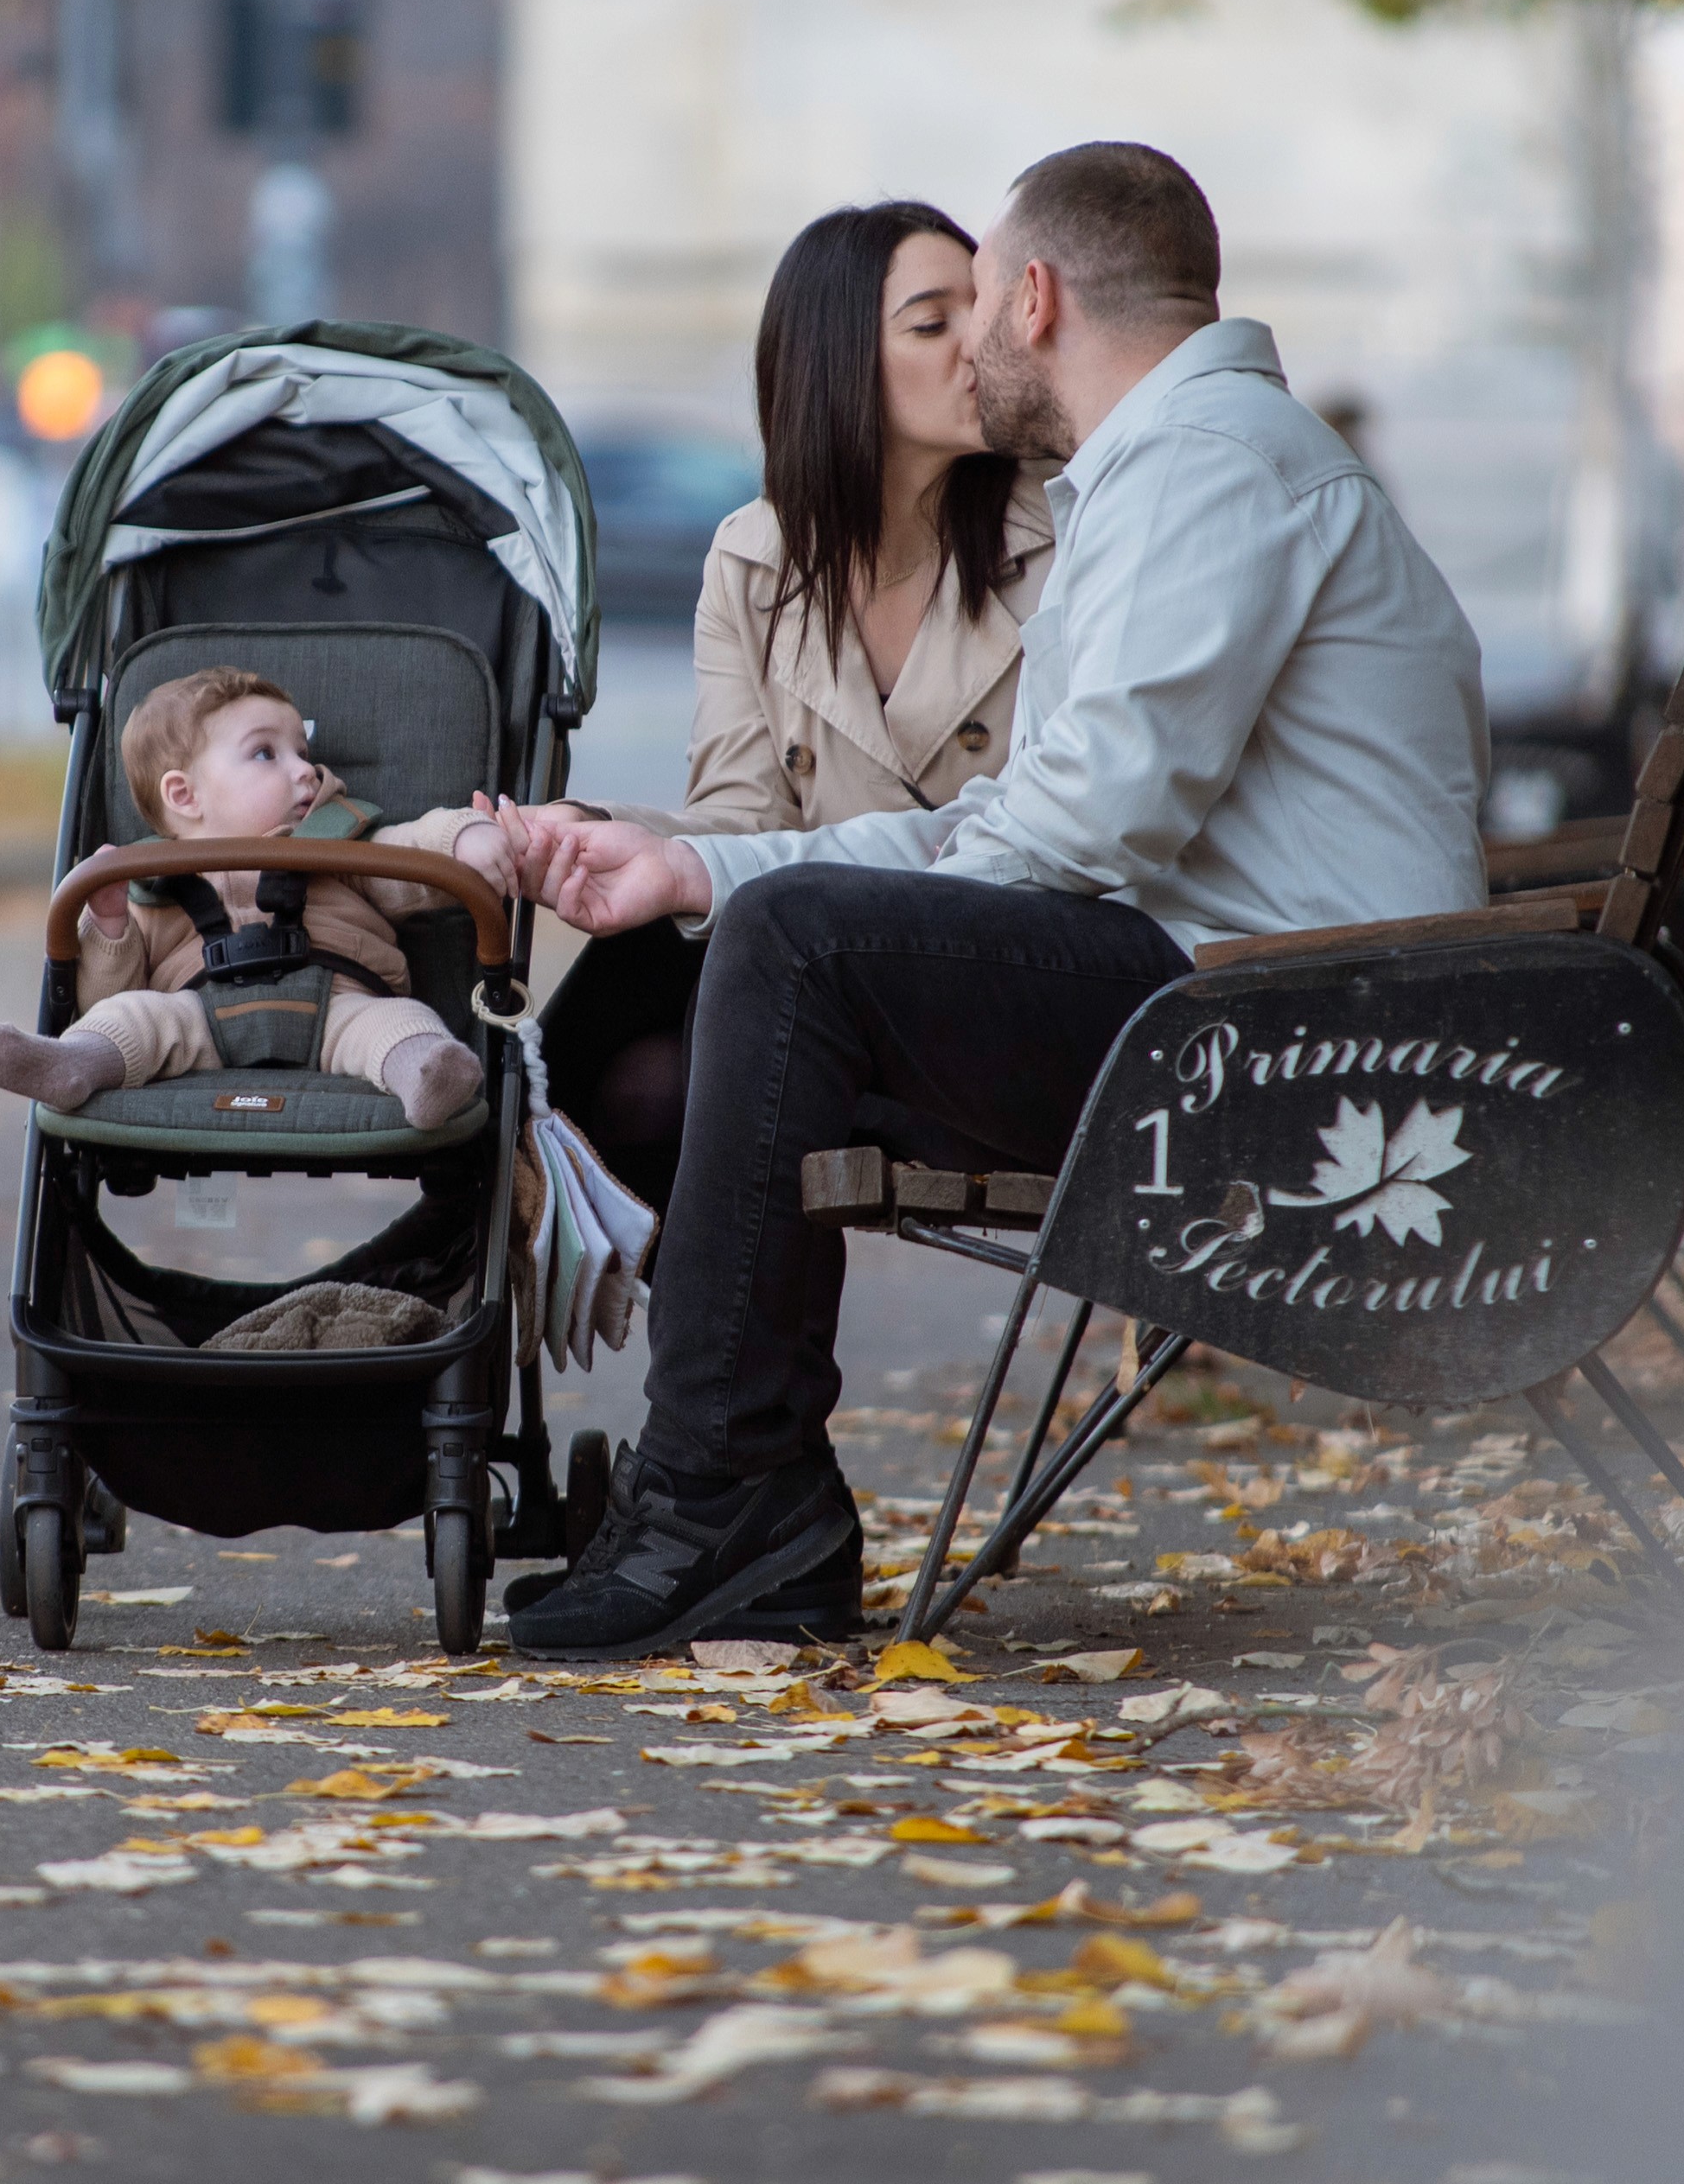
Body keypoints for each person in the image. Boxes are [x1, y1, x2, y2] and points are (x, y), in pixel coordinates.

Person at [496, 143, 1490, 1659]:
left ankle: (724, 1497)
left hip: (1298, 1041)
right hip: (1262, 1000)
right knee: (762, 949)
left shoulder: (1205, 464)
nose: (968, 343)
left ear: (1034, 301)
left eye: (974, 303)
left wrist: (841, 923)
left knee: (798, 950)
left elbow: (1089, 815)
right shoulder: (1179, 463)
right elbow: (1040, 813)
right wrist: (705, 868)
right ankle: (726, 1495)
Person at [540, 200, 1056, 1213]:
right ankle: (491, 1250)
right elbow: (740, 818)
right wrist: (582, 831)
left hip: (999, 977)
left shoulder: (1060, 537)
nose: (978, 344)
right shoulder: (755, 557)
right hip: (823, 973)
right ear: (837, 364)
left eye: (984, 308)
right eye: (932, 322)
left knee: (700, 1010)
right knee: (643, 1005)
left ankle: (449, 1263)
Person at [0, 668, 518, 1130]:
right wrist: (110, 922)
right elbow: (108, 993)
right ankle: (73, 1062)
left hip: (340, 1004)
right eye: (265, 753)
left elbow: (412, 851)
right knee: (130, 1016)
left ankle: (426, 1076)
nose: (305, 770)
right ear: (184, 794)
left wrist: (462, 838)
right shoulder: (152, 881)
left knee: (398, 1022)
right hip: (197, 1018)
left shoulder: (337, 844)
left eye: (302, 752)